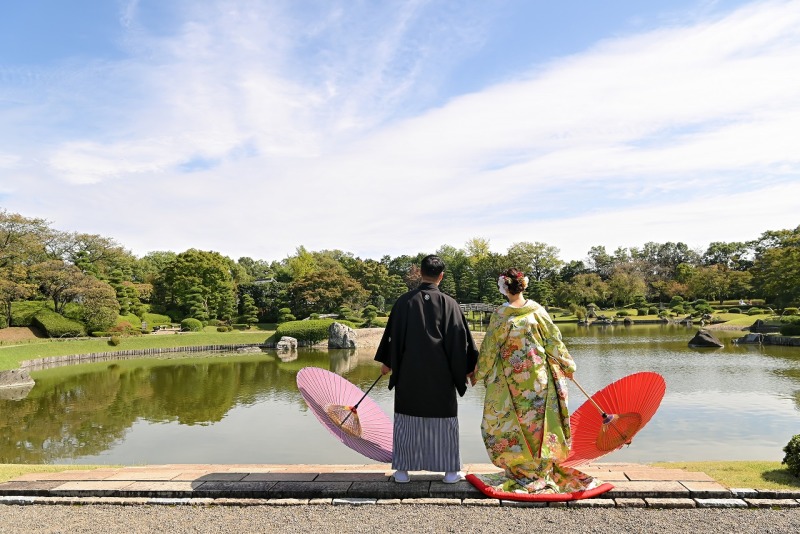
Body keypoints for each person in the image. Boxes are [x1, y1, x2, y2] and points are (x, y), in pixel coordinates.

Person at [470, 268, 602, 494]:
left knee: (515, 422)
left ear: (504, 288)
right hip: (539, 376)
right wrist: (568, 365)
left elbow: (490, 349)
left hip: (511, 378)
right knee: (538, 423)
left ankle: (521, 468)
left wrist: (477, 373)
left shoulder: (500, 315)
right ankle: (541, 468)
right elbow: (553, 341)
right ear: (524, 286)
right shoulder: (538, 311)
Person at [374, 255, 479, 484]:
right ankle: (450, 472)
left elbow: (393, 337)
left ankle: (402, 471)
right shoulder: (450, 304)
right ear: (441, 276)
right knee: (444, 421)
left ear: (420, 273)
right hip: (441, 378)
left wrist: (387, 362)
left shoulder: (404, 302)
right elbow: (461, 342)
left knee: (407, 420)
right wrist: (470, 368)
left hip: (409, 376)